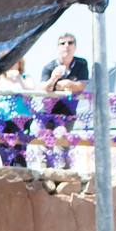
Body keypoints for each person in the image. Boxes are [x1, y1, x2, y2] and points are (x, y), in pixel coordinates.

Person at [37, 33, 89, 168]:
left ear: (75, 46)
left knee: (63, 144)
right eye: (63, 43)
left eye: (70, 43)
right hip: (48, 113)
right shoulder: (50, 67)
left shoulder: (81, 64)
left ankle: (63, 177)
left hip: (68, 113)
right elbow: (44, 88)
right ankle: (46, 178)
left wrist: (67, 83)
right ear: (58, 47)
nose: (67, 46)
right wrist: (54, 78)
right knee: (46, 145)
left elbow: (81, 86)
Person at [0, 57, 34, 167]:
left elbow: (31, 93)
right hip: (1, 119)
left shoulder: (26, 77)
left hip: (21, 119)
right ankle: (8, 175)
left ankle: (21, 177)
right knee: (3, 148)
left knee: (19, 150)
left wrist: (19, 79)